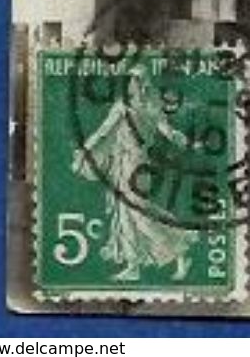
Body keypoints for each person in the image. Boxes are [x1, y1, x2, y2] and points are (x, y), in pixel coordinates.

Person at [73, 68, 193, 282]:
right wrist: (86, 148)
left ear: (144, 84)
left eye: (137, 81)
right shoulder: (122, 107)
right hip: (122, 163)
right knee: (125, 215)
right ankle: (133, 265)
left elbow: (166, 130)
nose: (133, 86)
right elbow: (104, 131)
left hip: (139, 165)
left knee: (140, 213)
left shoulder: (151, 107)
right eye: (131, 81)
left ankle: (179, 250)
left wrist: (177, 136)